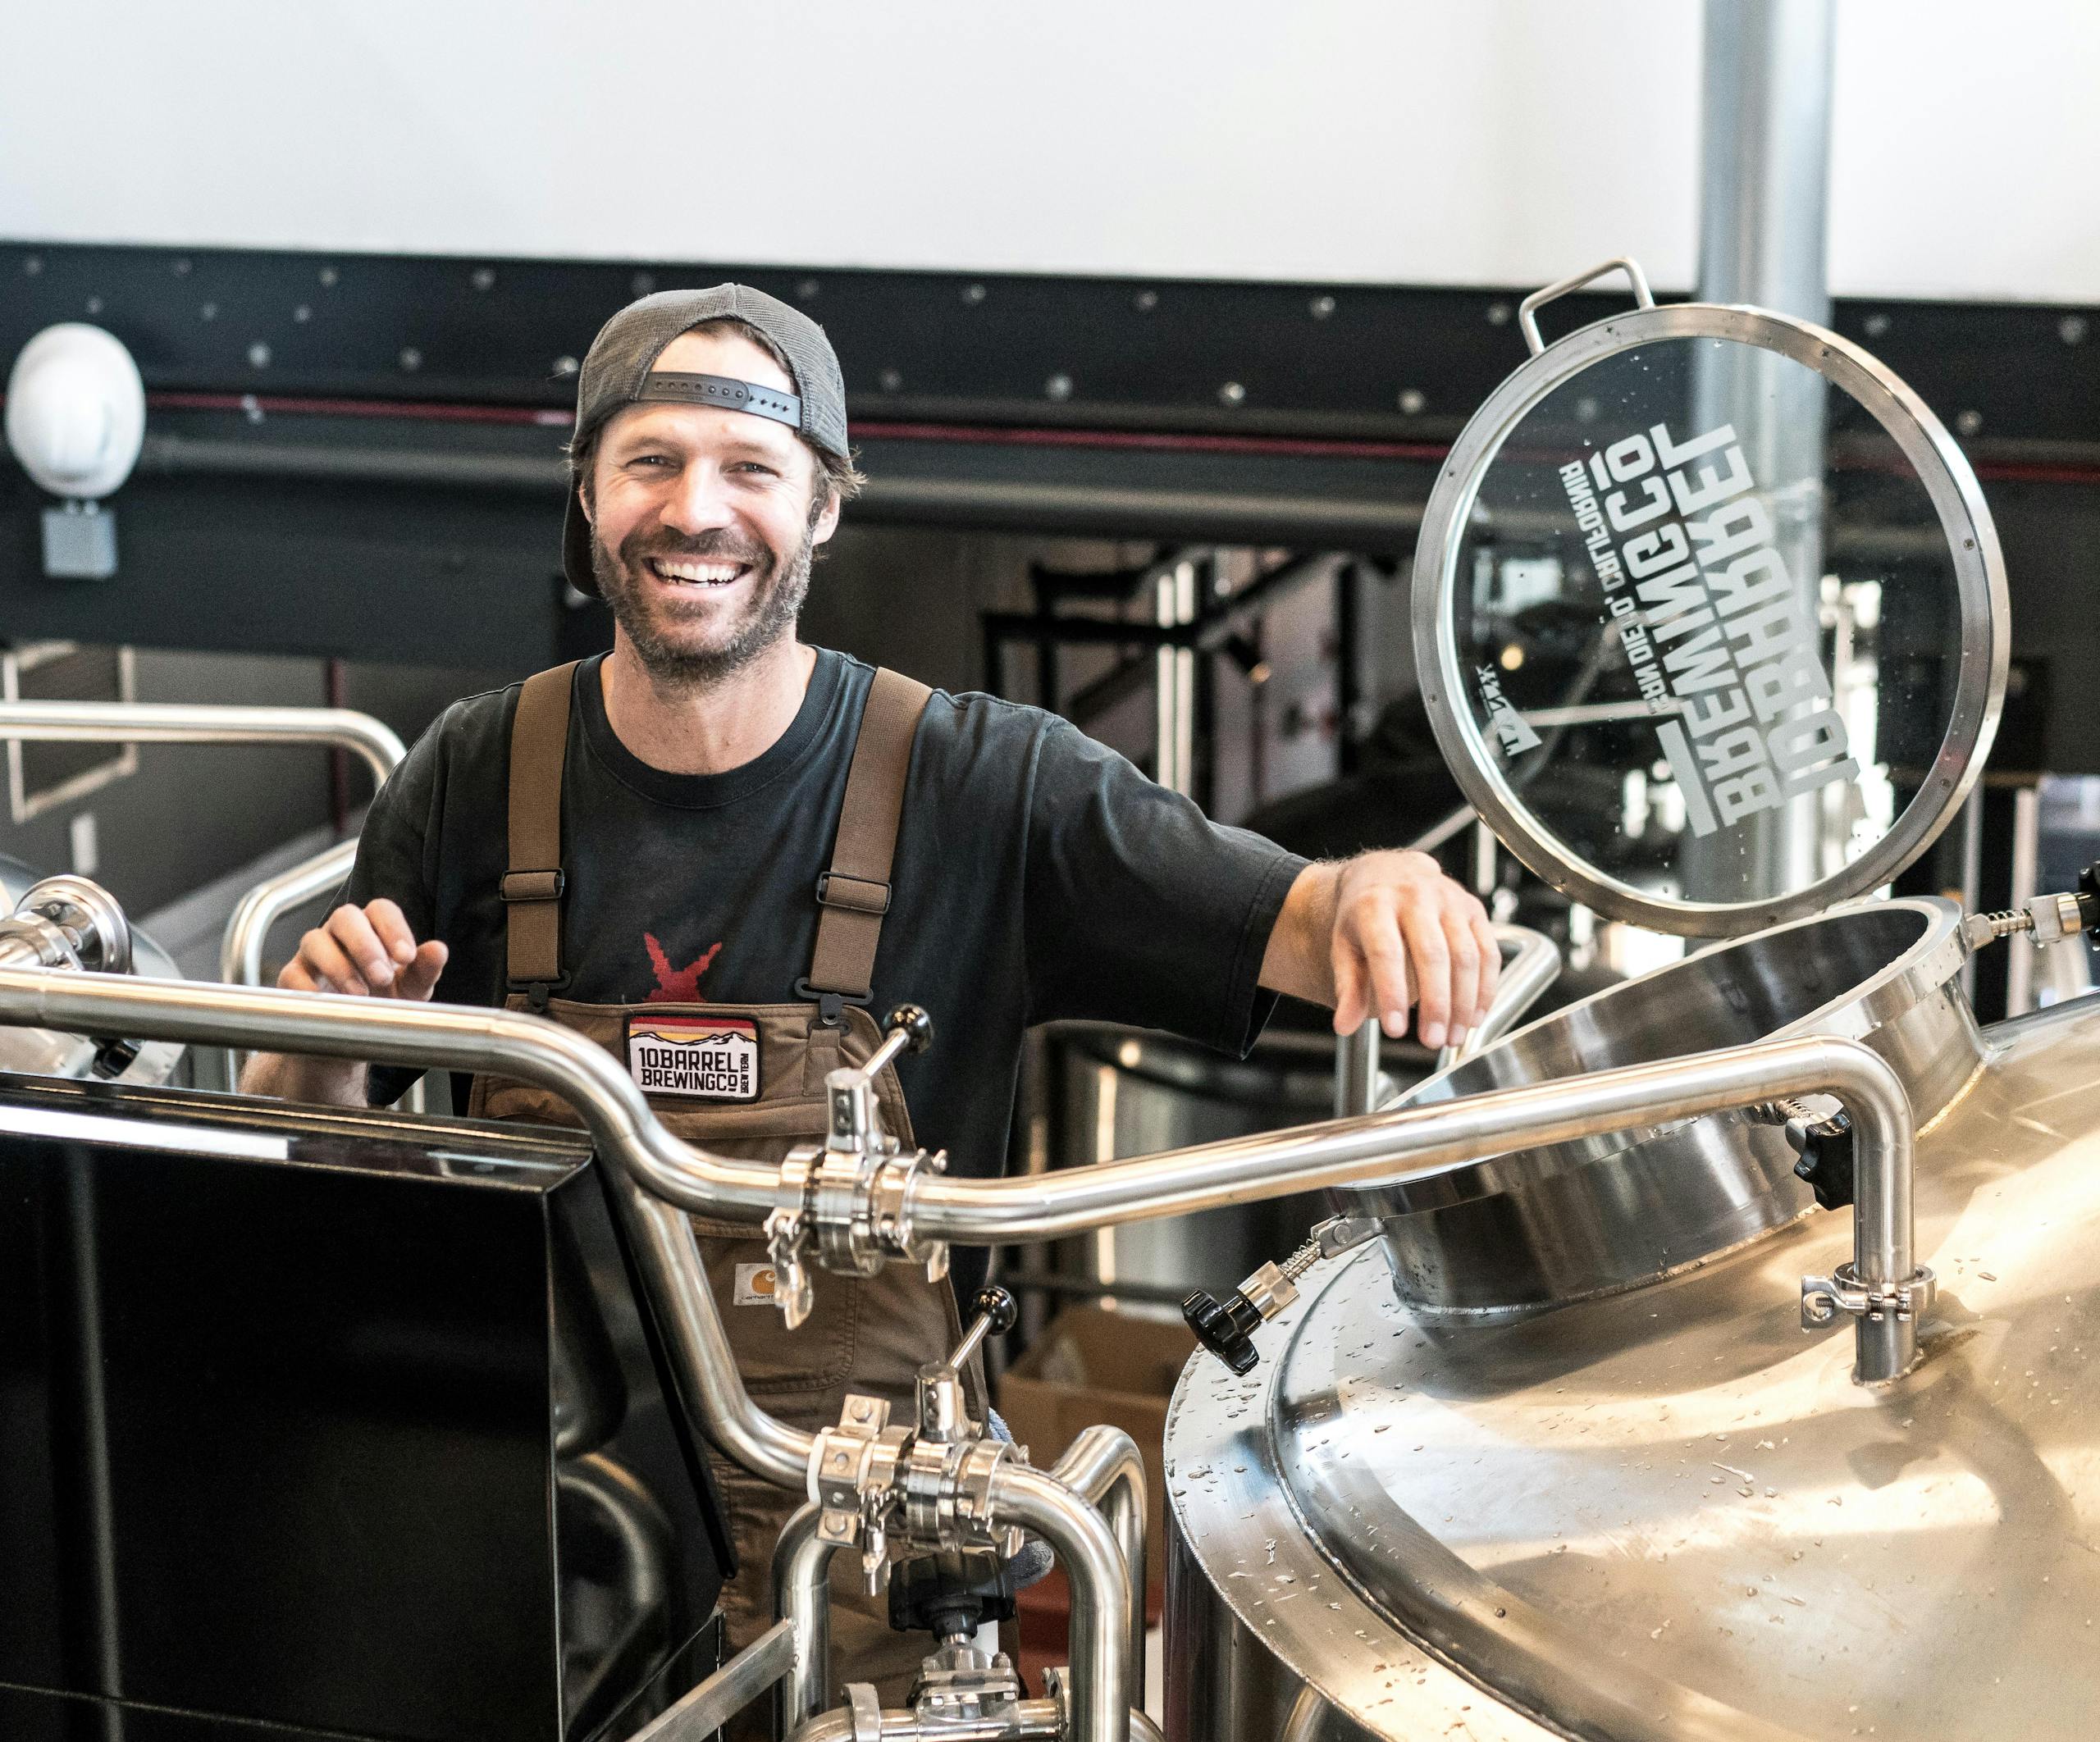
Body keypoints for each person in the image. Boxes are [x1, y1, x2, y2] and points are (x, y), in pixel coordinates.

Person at [240, 284, 1498, 1703]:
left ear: (824, 506)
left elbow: (1301, 918)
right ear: (588, 494)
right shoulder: (475, 775)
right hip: (543, 1555)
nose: (694, 511)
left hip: (874, 1574)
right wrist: (323, 1055)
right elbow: (313, 1171)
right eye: (650, 461)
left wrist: (1384, 886)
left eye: (750, 469)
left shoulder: (984, 783)